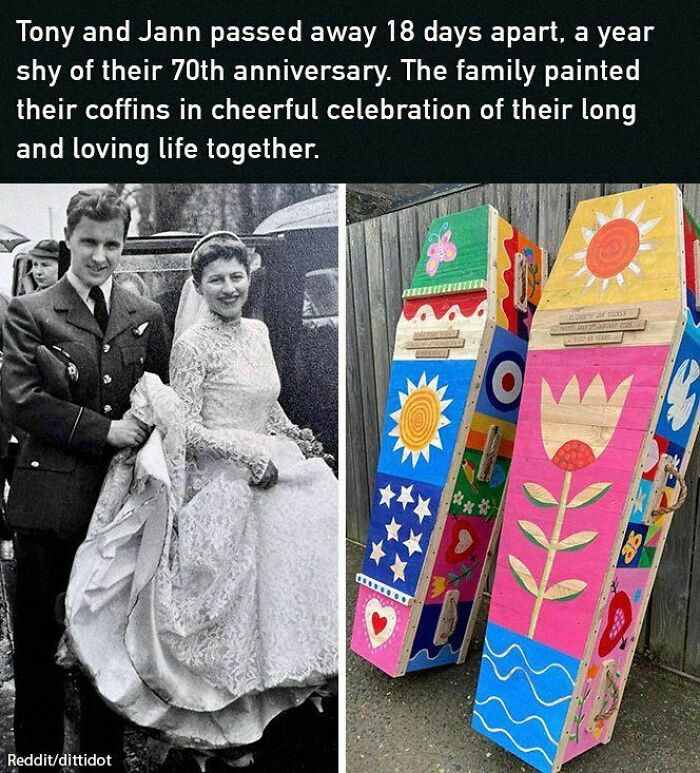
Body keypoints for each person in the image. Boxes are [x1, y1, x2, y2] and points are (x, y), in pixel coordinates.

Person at [64, 231, 338, 766]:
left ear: (249, 277)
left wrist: (297, 435)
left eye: (237, 276)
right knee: (228, 608)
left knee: (283, 598)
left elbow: (267, 404)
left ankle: (273, 720)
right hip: (225, 481)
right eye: (216, 279)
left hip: (274, 468)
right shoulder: (191, 345)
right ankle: (219, 733)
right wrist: (244, 457)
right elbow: (185, 426)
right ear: (200, 286)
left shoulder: (259, 332)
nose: (229, 287)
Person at [1, 189, 171, 770]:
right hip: (49, 511)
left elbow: (160, 400)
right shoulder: (29, 313)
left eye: (112, 244)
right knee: (39, 653)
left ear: (123, 246)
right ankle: (40, 760)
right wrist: (106, 432)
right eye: (89, 242)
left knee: (107, 650)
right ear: (69, 240)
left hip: (120, 512)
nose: (100, 256)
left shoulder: (145, 317)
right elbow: (21, 402)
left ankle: (105, 760)